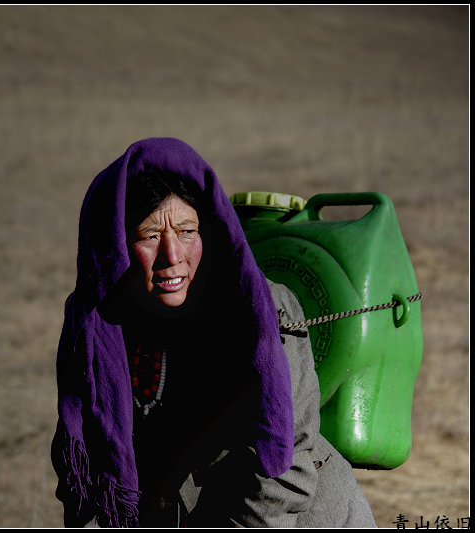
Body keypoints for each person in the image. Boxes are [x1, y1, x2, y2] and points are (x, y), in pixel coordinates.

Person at [51, 137, 377, 527]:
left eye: (187, 231)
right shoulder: (95, 331)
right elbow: (90, 462)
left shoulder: (261, 311)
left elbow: (283, 475)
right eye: (150, 235)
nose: (172, 256)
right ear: (115, 246)